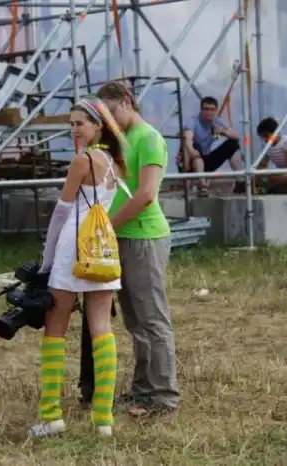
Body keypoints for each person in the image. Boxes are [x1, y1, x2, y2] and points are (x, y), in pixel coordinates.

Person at [31, 96, 127, 438]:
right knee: (102, 328)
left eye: (80, 124)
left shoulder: (82, 161)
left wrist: (46, 260)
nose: (74, 130)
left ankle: (51, 415)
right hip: (102, 249)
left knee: (55, 327)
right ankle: (103, 419)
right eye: (71, 124)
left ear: (97, 126)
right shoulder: (115, 163)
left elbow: (61, 212)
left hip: (73, 248)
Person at [96, 81, 179, 417]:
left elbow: (146, 194)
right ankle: (143, 390)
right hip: (121, 237)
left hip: (144, 237)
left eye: (111, 111)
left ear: (127, 101)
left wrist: (107, 227)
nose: (108, 119)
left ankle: (163, 395)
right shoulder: (121, 140)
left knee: (152, 318)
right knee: (134, 319)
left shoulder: (149, 138)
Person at [179, 96, 245, 196]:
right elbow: (187, 140)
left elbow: (236, 136)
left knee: (232, 144)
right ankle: (202, 184)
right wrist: (192, 151)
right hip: (190, 161)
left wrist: (223, 132)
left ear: (216, 110)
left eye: (212, 109)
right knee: (194, 146)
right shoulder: (193, 121)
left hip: (206, 160)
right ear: (201, 110)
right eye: (206, 109)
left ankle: (241, 181)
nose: (208, 112)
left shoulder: (216, 121)